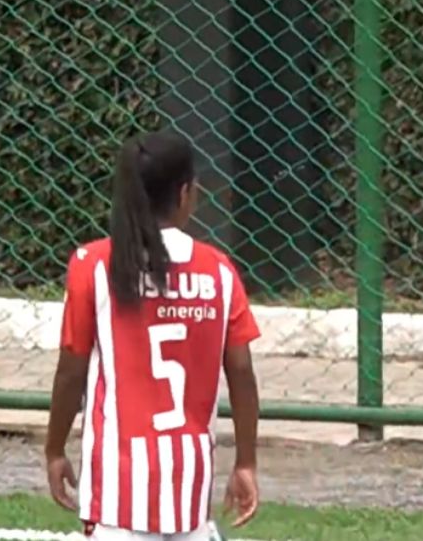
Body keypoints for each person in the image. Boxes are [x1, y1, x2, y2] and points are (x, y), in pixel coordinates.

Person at [44, 130, 261, 541]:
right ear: (185, 193)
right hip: (189, 485)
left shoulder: (93, 265)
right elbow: (241, 371)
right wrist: (245, 461)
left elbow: (71, 372)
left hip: (117, 488)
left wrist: (55, 449)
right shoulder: (218, 271)